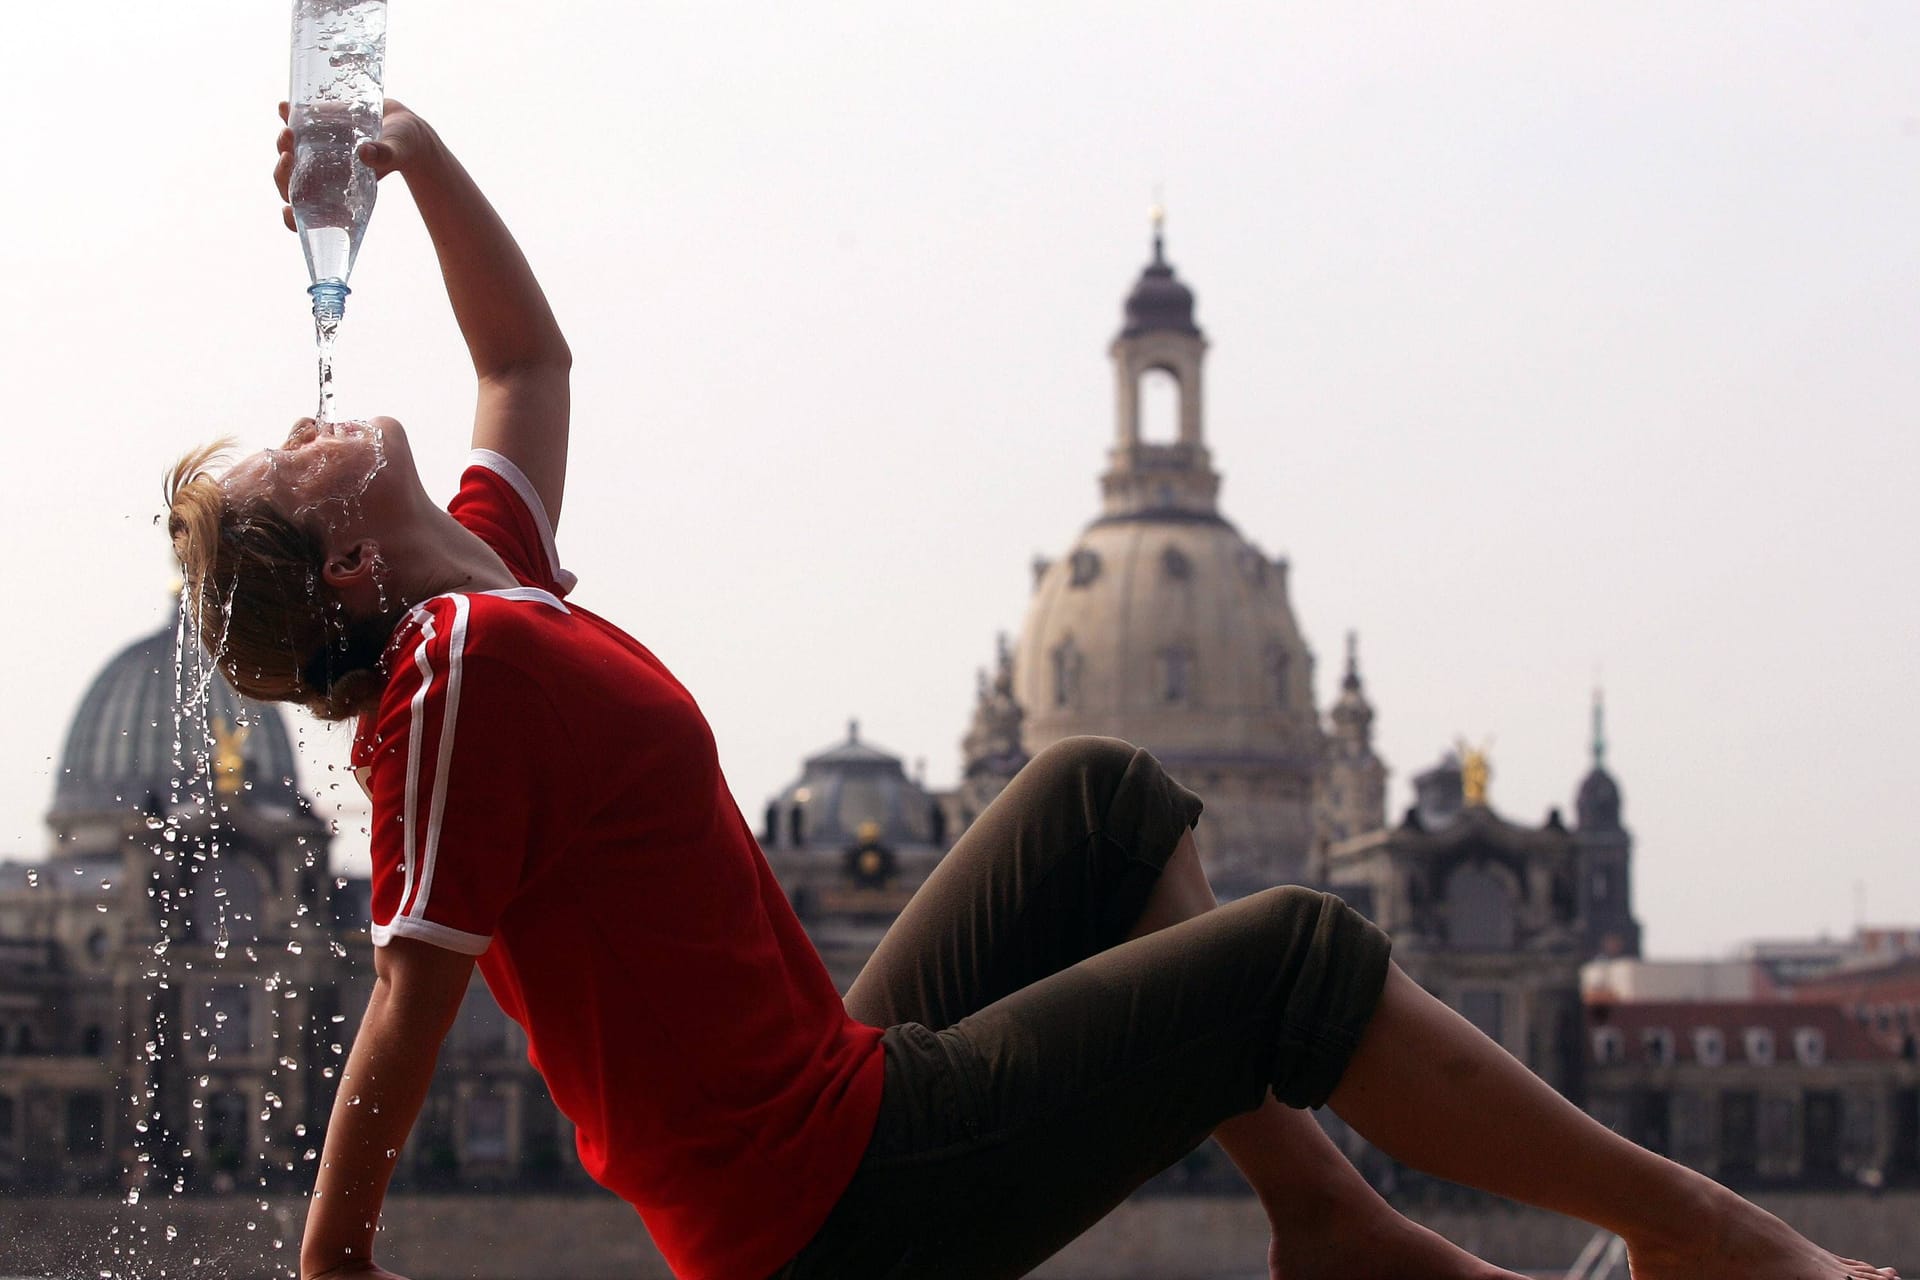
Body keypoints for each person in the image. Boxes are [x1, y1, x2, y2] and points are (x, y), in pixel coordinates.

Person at [165, 102, 1900, 1280]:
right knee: (1290, 950)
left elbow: (523, 359)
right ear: (339, 565)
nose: (317, 417)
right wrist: (336, 1256)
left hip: (822, 1103)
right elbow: (407, 995)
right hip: (817, 1209)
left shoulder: (492, 577)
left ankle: (1327, 1223)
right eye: (290, 457)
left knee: (1097, 788)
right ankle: (1706, 1239)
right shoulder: (454, 670)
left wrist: (411, 150)